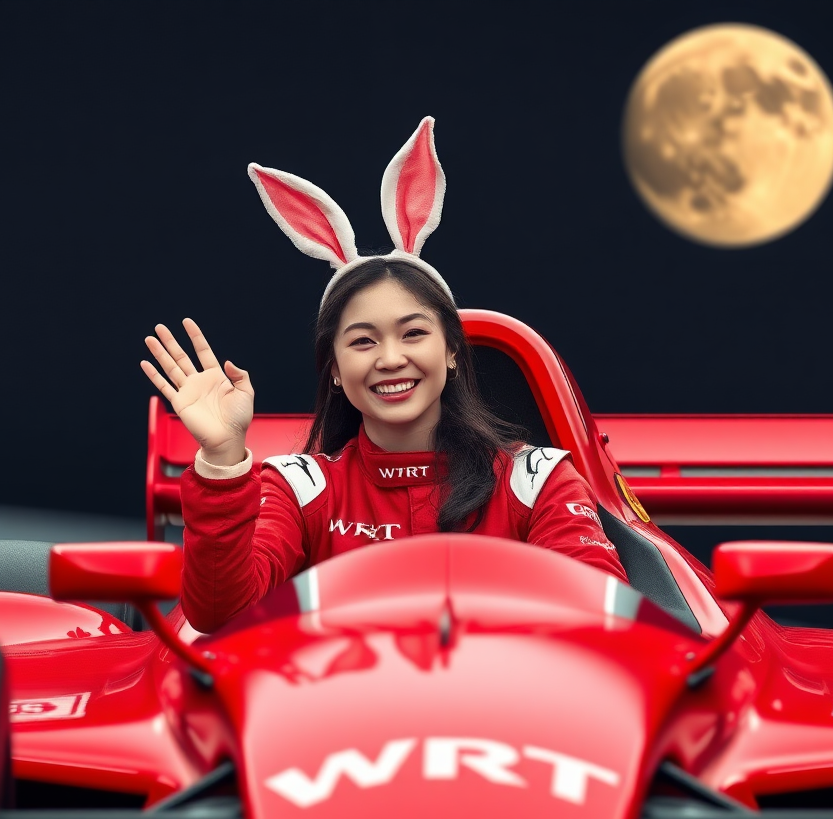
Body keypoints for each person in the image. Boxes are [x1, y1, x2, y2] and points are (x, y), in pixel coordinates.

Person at [140, 118, 627, 634]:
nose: (390, 358)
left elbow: (600, 620)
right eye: (363, 341)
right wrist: (222, 459)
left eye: (413, 333)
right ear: (333, 369)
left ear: (454, 352)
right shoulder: (298, 490)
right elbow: (220, 614)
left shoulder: (538, 481)